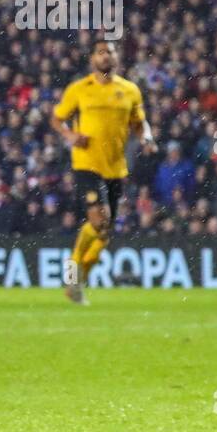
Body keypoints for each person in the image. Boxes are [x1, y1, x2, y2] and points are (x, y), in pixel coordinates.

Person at [50, 39, 156, 304]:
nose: (106, 56)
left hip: (116, 168)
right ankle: (73, 268)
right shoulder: (79, 89)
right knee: (99, 220)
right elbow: (57, 118)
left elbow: (140, 123)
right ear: (92, 60)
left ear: (117, 57)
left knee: (104, 234)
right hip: (86, 164)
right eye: (100, 52)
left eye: (110, 51)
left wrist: (147, 139)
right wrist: (70, 135)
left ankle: (76, 280)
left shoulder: (130, 90)